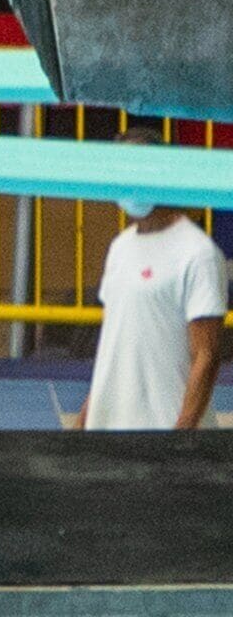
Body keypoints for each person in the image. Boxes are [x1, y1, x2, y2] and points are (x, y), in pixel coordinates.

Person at [83, 126, 225, 432]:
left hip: (168, 430)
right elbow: (114, 348)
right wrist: (84, 421)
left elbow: (207, 354)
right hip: (108, 429)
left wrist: (179, 437)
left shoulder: (197, 253)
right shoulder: (120, 248)